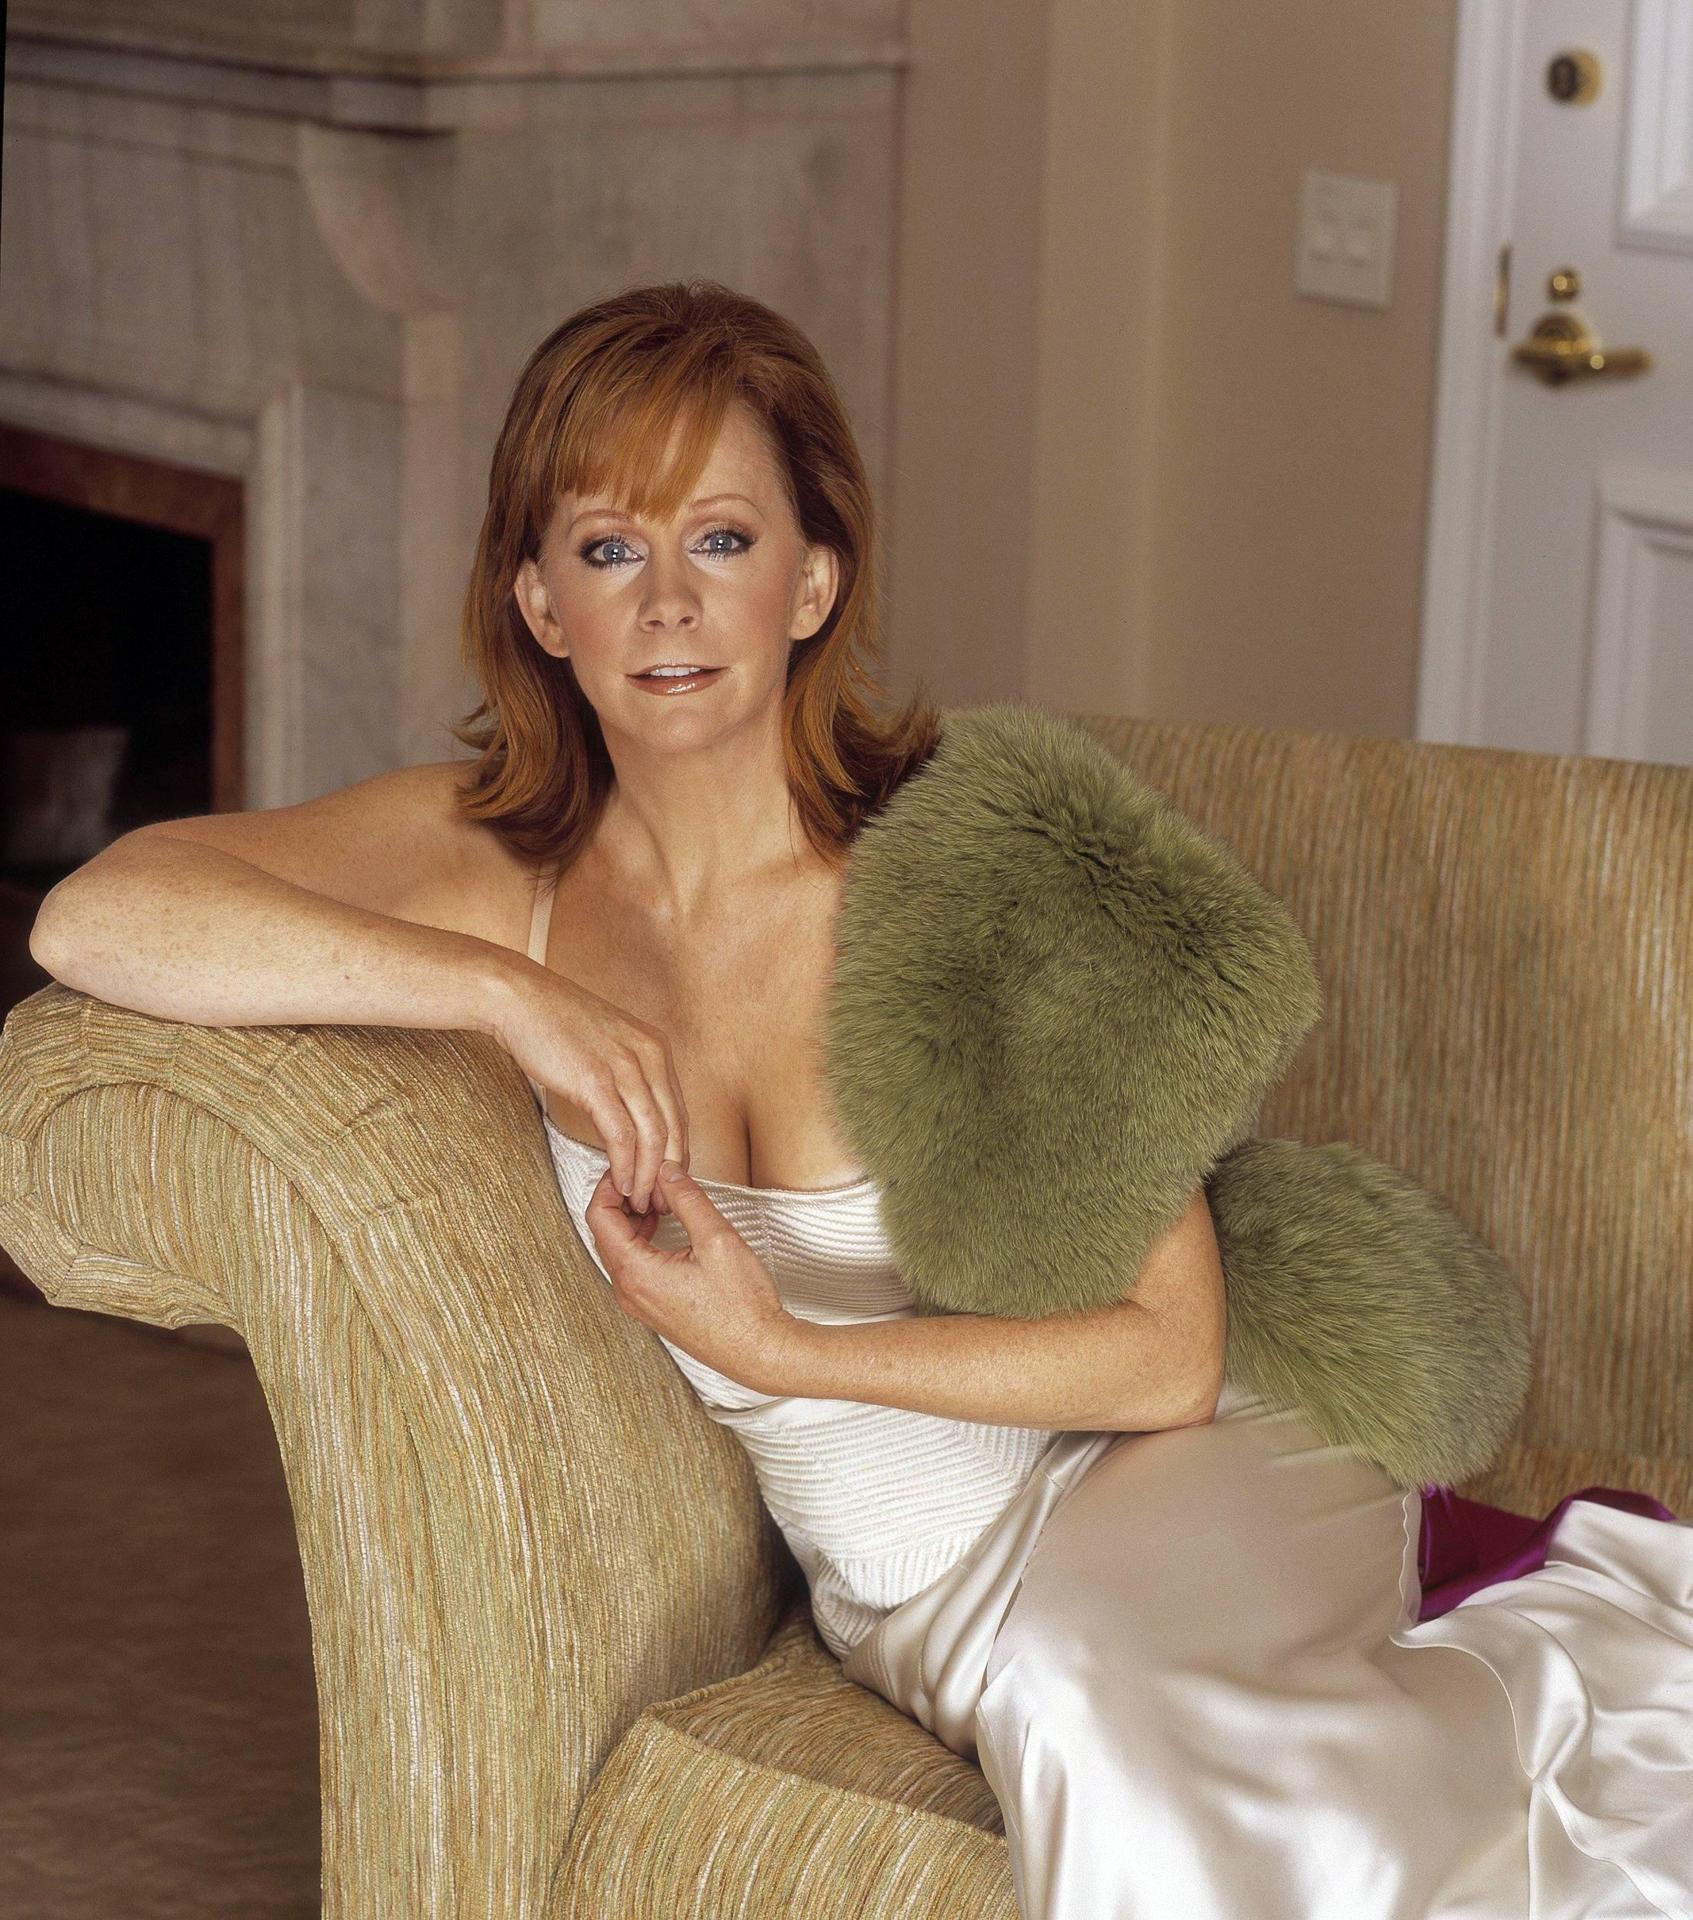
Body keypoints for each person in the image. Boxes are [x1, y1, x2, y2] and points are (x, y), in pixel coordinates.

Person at [31, 280, 1693, 1919]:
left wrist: (783, 1354)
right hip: (921, 1592)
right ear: (538, 602)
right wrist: (505, 994)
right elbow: (96, 916)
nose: (667, 604)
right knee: (1080, 1687)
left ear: (812, 581)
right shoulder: (493, 872)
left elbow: (1166, 1359)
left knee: (1085, 1690)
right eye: (608, 549)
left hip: (1187, 1458)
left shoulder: (962, 875)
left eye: (721, 540)